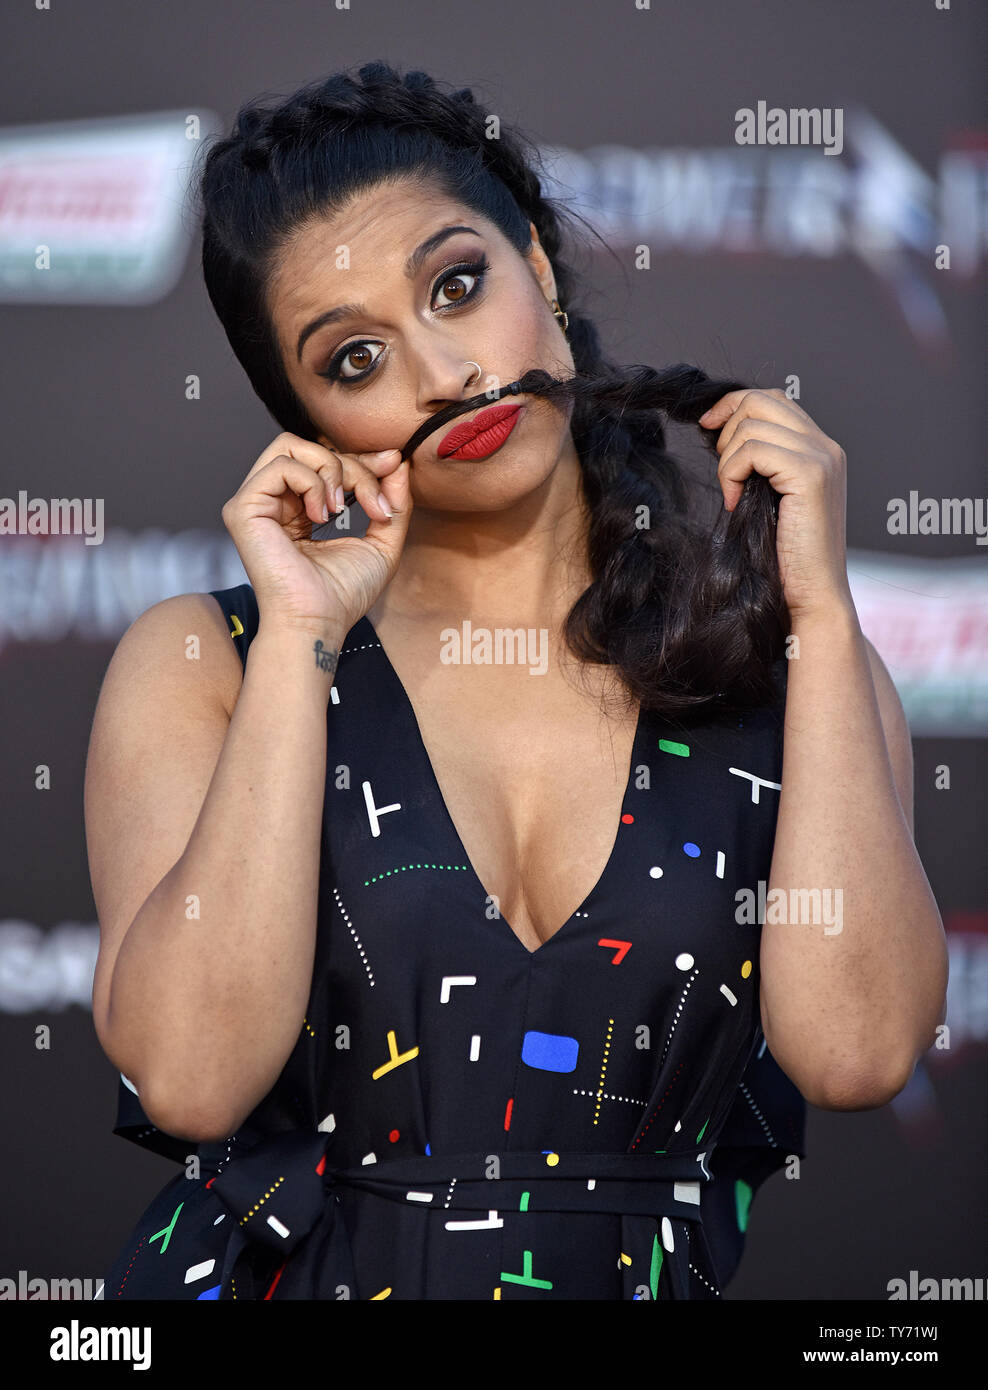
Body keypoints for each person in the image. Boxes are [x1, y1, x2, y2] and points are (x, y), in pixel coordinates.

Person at [85, 61, 947, 1301]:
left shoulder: (784, 663)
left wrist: (815, 611)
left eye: (457, 284)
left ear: (537, 268)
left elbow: (859, 1052)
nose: (443, 372)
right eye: (357, 358)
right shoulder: (209, 662)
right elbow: (190, 1078)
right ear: (313, 428)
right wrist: (302, 641)